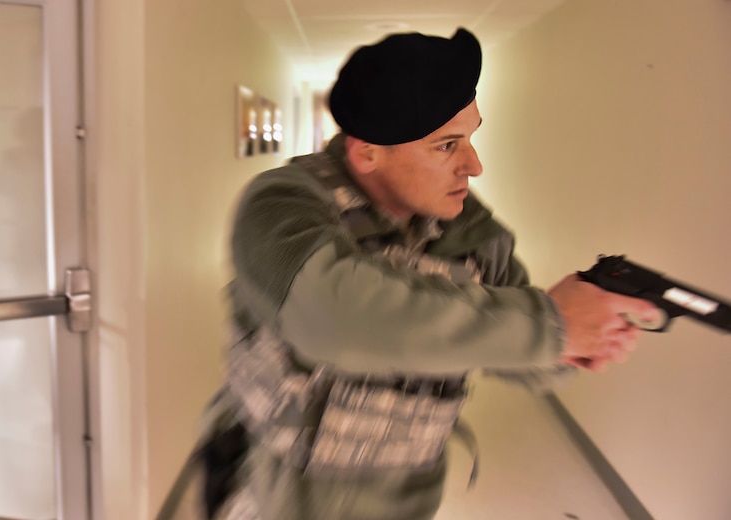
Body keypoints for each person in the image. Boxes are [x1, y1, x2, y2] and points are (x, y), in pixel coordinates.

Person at [198, 27, 658, 520]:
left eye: (471, 137)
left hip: (403, 503)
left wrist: (582, 335)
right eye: (447, 145)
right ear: (367, 152)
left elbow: (525, 354)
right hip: (270, 500)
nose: (474, 165)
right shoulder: (281, 206)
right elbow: (333, 313)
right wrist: (548, 324)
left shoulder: (474, 234)